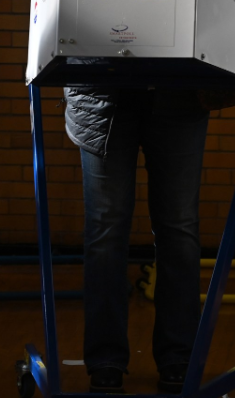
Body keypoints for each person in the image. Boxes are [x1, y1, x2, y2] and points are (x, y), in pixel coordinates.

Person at [64, 85, 212, 394]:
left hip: (169, 90)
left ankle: (173, 356)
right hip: (107, 92)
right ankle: (122, 359)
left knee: (170, 229)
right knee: (156, 228)